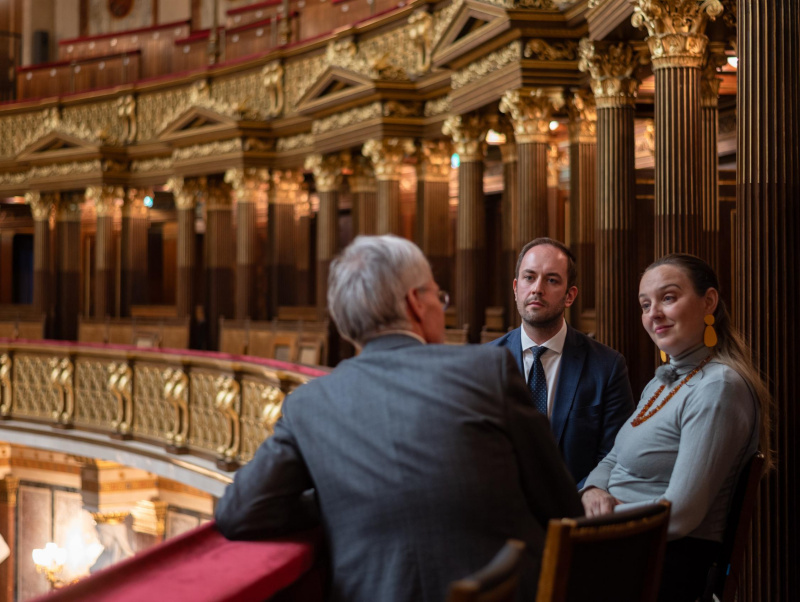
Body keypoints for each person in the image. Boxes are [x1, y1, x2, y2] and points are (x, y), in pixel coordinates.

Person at [215, 235, 583, 602]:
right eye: (439, 297)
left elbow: (239, 512)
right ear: (415, 304)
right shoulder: (487, 370)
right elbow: (561, 505)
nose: (442, 307)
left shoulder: (309, 403)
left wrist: (341, 490)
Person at [581, 254, 770, 602]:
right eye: (644, 304)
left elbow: (681, 515)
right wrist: (592, 491)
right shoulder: (661, 381)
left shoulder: (718, 387)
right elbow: (613, 459)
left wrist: (592, 523)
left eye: (668, 298)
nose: (653, 314)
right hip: (620, 546)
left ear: (708, 301)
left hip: (663, 564)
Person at [489, 237, 635, 487]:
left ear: (570, 295)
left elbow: (616, 453)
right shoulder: (485, 361)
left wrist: (584, 497)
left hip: (576, 511)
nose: (537, 288)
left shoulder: (607, 367)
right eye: (529, 277)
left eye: (551, 280)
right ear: (515, 288)